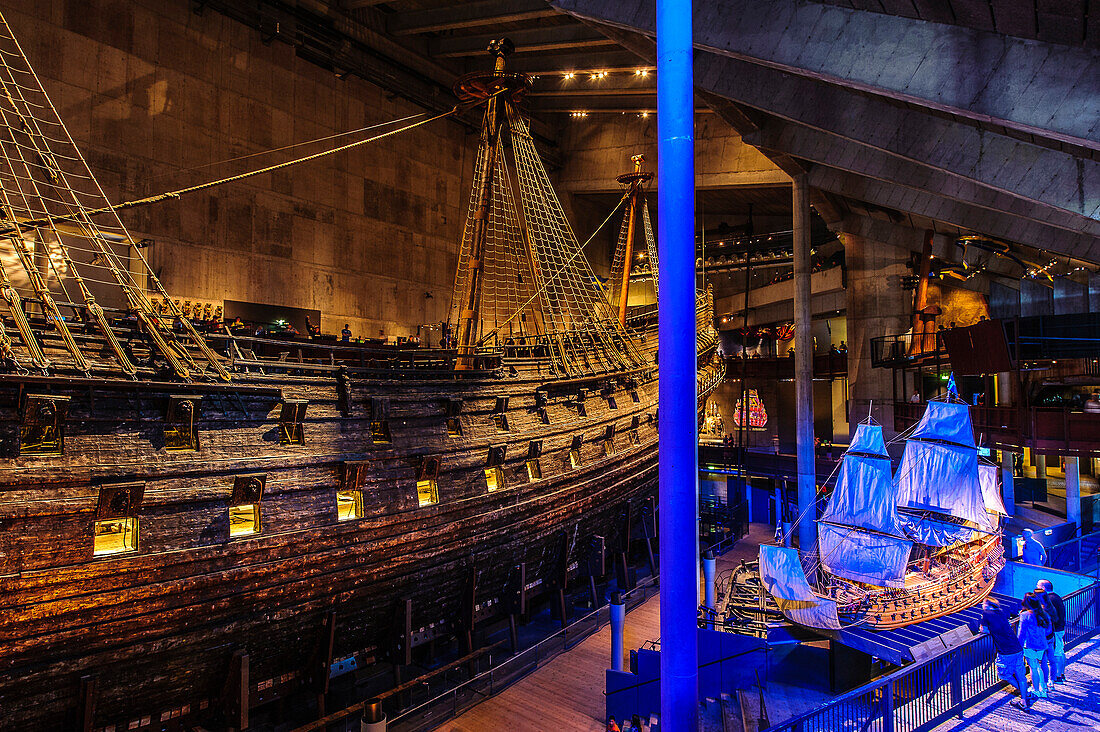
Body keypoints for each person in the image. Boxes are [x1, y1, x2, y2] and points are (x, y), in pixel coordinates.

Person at [980, 597, 1031, 709]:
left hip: (1005, 651)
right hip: (1017, 648)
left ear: (987, 604)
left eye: (983, 603)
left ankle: (1024, 695)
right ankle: (1024, 698)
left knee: (1004, 674)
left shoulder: (986, 614)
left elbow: (984, 630)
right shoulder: (1000, 612)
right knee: (1020, 675)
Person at [1018, 592, 1051, 699]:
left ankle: (1036, 689)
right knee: (1039, 666)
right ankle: (1043, 688)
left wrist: (1019, 646)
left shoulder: (1025, 615)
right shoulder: (1044, 614)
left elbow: (1021, 633)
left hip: (1030, 645)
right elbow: (1048, 630)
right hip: (1041, 644)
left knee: (1033, 667)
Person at [1037, 579, 1067, 683]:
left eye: (1038, 585)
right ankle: (1061, 674)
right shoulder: (1056, 597)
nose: (1036, 587)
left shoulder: (1050, 600)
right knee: (1060, 651)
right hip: (1060, 628)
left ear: (1043, 588)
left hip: (1055, 630)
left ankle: (1057, 676)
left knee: (1057, 653)